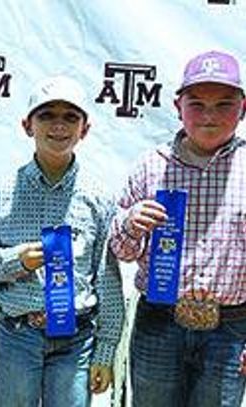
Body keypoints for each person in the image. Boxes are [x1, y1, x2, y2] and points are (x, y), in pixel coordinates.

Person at [0, 75, 125, 407]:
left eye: (70, 117)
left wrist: (105, 349)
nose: (59, 125)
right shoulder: (1, 193)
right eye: (47, 116)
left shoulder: (98, 198)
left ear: (85, 129)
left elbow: (108, 280)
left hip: (77, 338)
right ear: (27, 125)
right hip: (18, 333)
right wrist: (18, 260)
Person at [109, 50, 246, 407]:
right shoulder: (150, 167)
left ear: (243, 107)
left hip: (231, 327)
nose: (210, 115)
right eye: (197, 103)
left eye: (224, 104)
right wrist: (130, 224)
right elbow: (120, 251)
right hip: (160, 320)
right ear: (177, 106)